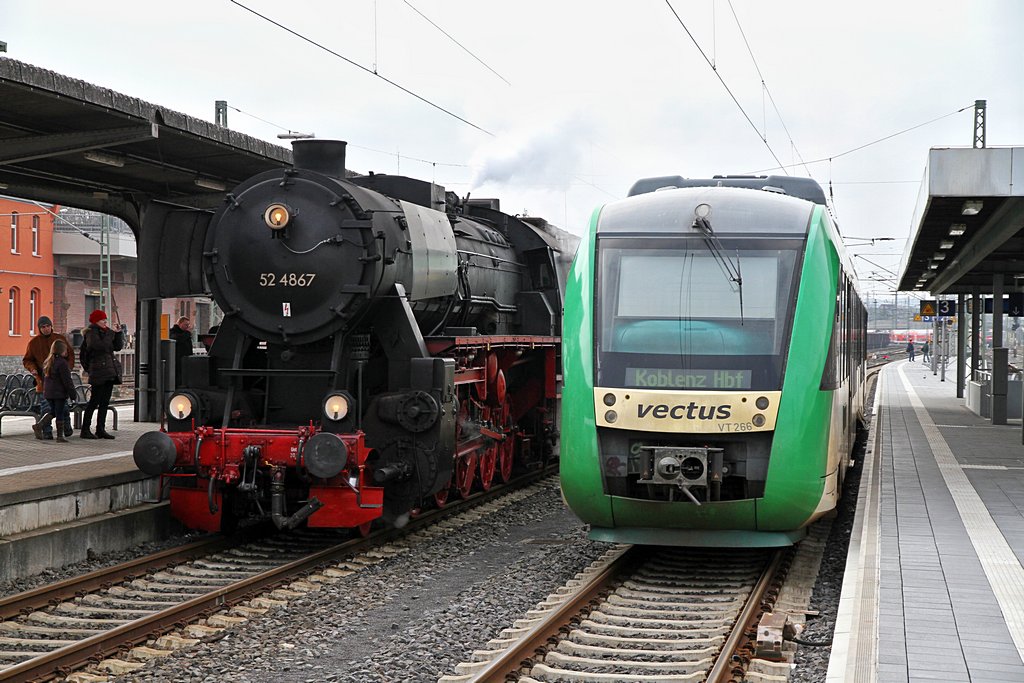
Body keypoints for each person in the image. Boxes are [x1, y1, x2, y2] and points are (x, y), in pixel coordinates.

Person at [22, 316, 75, 440]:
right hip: (43, 379)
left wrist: (67, 369)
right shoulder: (34, 343)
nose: (46, 329)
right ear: (40, 329)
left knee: (63, 407)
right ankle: (47, 431)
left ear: (51, 326)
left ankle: (66, 428)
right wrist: (33, 369)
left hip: (59, 379)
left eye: (48, 326)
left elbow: (70, 355)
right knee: (47, 407)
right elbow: (27, 360)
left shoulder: (59, 339)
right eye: (43, 327)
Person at [79, 309, 124, 439]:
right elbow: (100, 346)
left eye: (105, 319)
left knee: (104, 402)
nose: (105, 321)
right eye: (102, 319)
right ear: (95, 321)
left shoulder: (106, 333)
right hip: (98, 372)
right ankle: (85, 429)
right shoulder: (91, 333)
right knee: (94, 401)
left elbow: (117, 347)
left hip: (109, 371)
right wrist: (110, 334)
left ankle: (101, 429)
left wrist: (118, 334)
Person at [41, 338, 77, 444]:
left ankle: (39, 425)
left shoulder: (48, 362)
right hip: (59, 393)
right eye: (65, 350)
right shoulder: (62, 363)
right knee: (59, 413)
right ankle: (60, 436)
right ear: (62, 351)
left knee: (53, 412)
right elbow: (67, 381)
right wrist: (73, 394)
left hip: (49, 393)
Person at [168, 316, 193, 387]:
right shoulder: (173, 332)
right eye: (186, 325)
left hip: (185, 359)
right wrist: (187, 334)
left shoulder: (186, 334)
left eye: (188, 325)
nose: (187, 327)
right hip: (177, 359)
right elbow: (177, 339)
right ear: (180, 323)